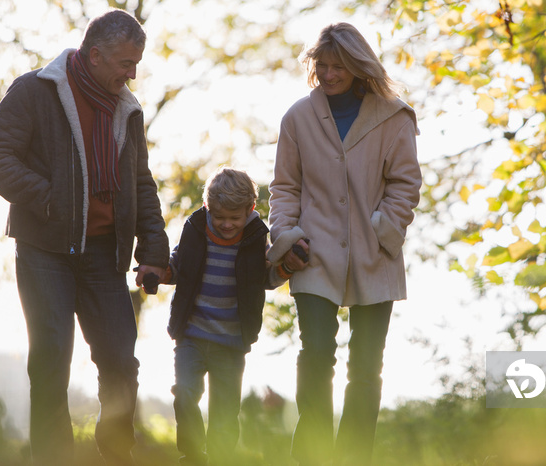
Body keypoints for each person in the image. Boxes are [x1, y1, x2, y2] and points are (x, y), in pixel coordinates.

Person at [0, 9, 169, 466]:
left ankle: (118, 452)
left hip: (105, 254)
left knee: (121, 358)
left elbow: (141, 183)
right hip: (46, 250)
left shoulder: (128, 108)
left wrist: (154, 250)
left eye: (137, 63)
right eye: (126, 63)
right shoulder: (35, 91)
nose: (132, 74)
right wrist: (49, 198)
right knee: (50, 362)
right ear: (95, 55)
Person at [267, 22, 422, 466]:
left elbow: (406, 184)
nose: (330, 74)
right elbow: (284, 187)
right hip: (312, 253)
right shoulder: (297, 116)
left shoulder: (394, 116)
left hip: (376, 255)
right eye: (322, 65)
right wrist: (286, 236)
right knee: (315, 355)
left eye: (339, 66)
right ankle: (312, 456)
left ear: (357, 66)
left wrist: (384, 227)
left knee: (366, 367)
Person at [161, 167, 306, 466]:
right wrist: (159, 271)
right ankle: (191, 455)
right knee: (185, 394)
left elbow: (265, 278)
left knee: (225, 412)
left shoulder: (254, 238)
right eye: (219, 217)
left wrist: (288, 267)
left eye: (234, 218)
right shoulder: (194, 230)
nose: (226, 224)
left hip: (231, 341)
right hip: (191, 335)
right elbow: (178, 265)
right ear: (207, 208)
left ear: (250, 209)